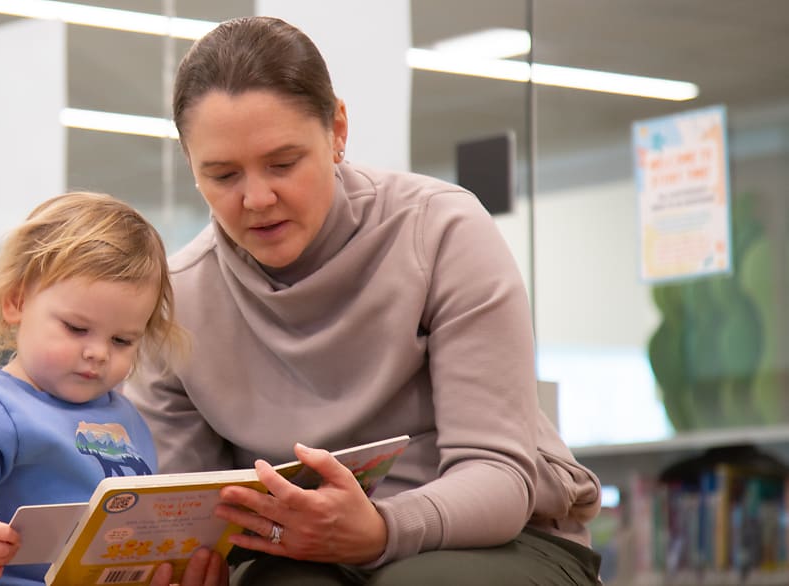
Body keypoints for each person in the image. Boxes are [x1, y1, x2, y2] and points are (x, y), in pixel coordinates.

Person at [125, 16, 603, 586]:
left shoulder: (440, 231)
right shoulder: (176, 300)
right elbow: (190, 517)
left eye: (283, 163)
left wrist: (379, 530)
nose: (257, 198)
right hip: (297, 552)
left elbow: (498, 476)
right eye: (223, 174)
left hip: (502, 536)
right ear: (191, 167)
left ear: (338, 131)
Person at [0, 192, 209, 585]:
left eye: (123, 341)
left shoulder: (127, 419)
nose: (98, 352)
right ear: (17, 303)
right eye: (76, 328)